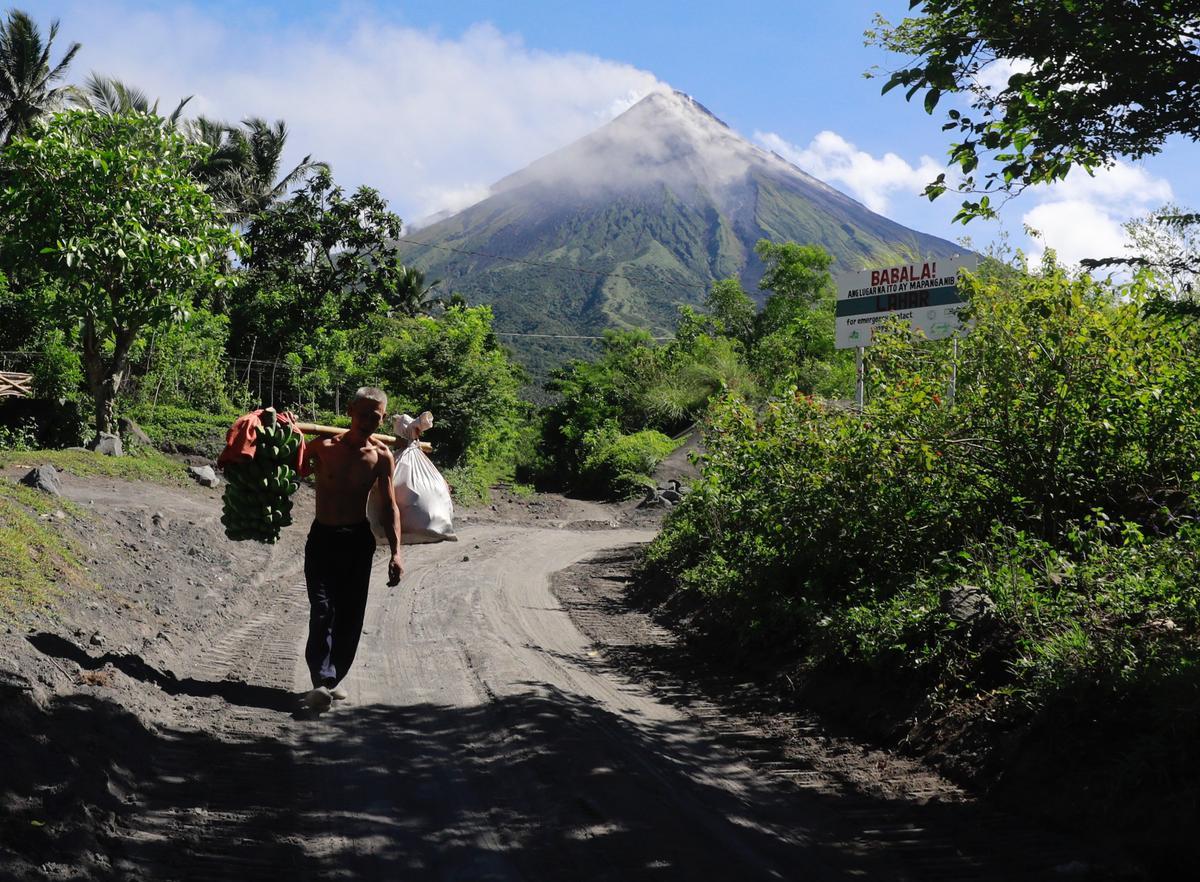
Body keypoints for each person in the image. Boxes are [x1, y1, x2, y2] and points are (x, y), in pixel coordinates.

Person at [299, 386, 404, 711]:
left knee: (349, 616)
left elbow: (389, 506)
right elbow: (293, 468)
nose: (368, 421)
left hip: (357, 542)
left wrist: (396, 552)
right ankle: (322, 679)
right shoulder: (323, 447)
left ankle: (329, 681)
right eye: (363, 414)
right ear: (350, 411)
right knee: (322, 609)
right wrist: (285, 433)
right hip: (323, 538)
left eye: (376, 417)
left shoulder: (380, 457)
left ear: (383, 418)